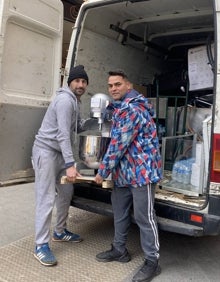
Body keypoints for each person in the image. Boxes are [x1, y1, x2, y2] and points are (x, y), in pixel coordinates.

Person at [94, 70, 162, 282]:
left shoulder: (133, 109)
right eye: (110, 85)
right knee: (120, 213)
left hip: (142, 172)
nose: (113, 88)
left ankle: (152, 262)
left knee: (144, 217)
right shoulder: (120, 108)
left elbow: (118, 144)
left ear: (129, 86)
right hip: (123, 173)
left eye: (118, 84)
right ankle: (119, 250)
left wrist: (102, 171)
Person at [32, 65, 89, 266]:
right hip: (46, 152)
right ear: (70, 82)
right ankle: (40, 245)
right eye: (77, 81)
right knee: (46, 197)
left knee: (66, 192)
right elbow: (63, 134)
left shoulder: (76, 100)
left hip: (58, 153)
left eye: (83, 81)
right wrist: (71, 163)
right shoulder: (65, 100)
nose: (80, 84)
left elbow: (77, 126)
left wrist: (98, 119)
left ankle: (60, 231)